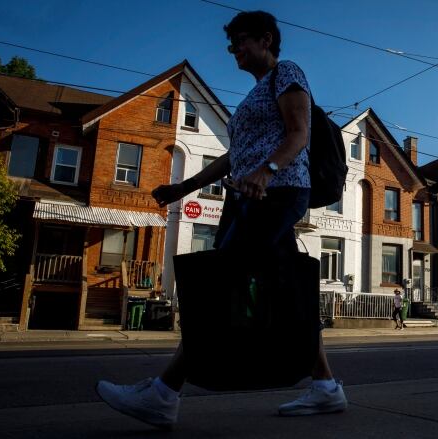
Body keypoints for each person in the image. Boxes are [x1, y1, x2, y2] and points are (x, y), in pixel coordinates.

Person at [95, 10, 347, 429]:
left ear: (266, 39)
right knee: (289, 292)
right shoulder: (256, 94)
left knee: (220, 286)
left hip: (278, 193)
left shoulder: (287, 72)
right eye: (232, 45)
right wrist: (184, 186)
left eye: (242, 41)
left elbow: (299, 133)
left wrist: (266, 172)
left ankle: (163, 394)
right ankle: (326, 387)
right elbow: (235, 156)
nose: (235, 51)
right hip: (253, 197)